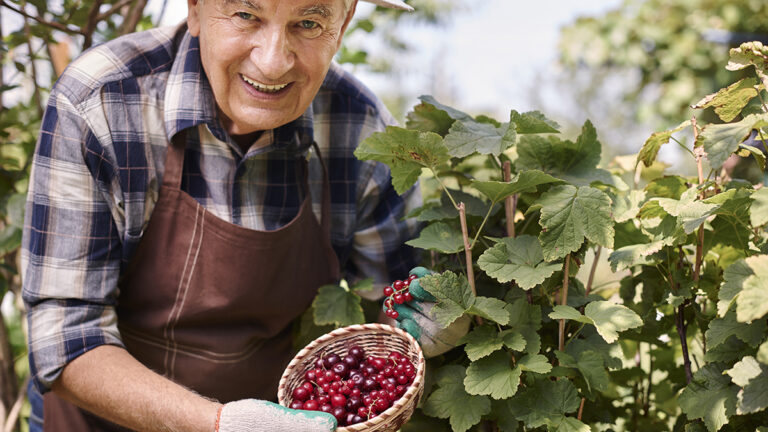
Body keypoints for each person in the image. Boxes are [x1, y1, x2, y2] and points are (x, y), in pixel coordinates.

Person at [20, 0, 428, 430]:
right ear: (195, 9)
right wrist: (218, 424)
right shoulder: (101, 99)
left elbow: (394, 311)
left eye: (308, 23)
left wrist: (428, 325)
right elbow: (65, 339)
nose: (272, 63)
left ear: (343, 24)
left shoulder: (361, 128)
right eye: (245, 15)